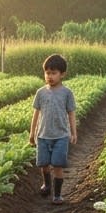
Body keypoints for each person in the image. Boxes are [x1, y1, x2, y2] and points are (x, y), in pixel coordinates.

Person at [28, 53, 77, 204]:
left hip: (61, 136)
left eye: (53, 73)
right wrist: (32, 133)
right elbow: (36, 114)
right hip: (43, 135)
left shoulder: (67, 93)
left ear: (62, 74)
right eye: (47, 73)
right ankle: (47, 184)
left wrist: (73, 133)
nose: (50, 76)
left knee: (57, 165)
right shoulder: (40, 93)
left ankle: (57, 195)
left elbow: (71, 113)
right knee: (43, 164)